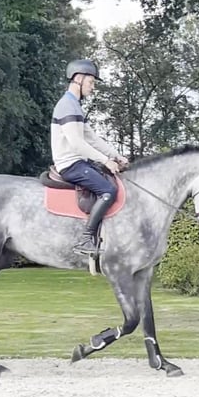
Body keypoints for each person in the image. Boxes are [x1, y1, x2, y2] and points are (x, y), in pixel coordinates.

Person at [51, 59, 129, 255]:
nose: (93, 87)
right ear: (78, 79)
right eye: (91, 82)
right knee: (108, 190)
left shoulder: (74, 105)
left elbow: (92, 139)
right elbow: (77, 143)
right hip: (70, 165)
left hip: (79, 162)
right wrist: (105, 161)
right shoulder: (67, 105)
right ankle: (86, 240)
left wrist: (116, 156)